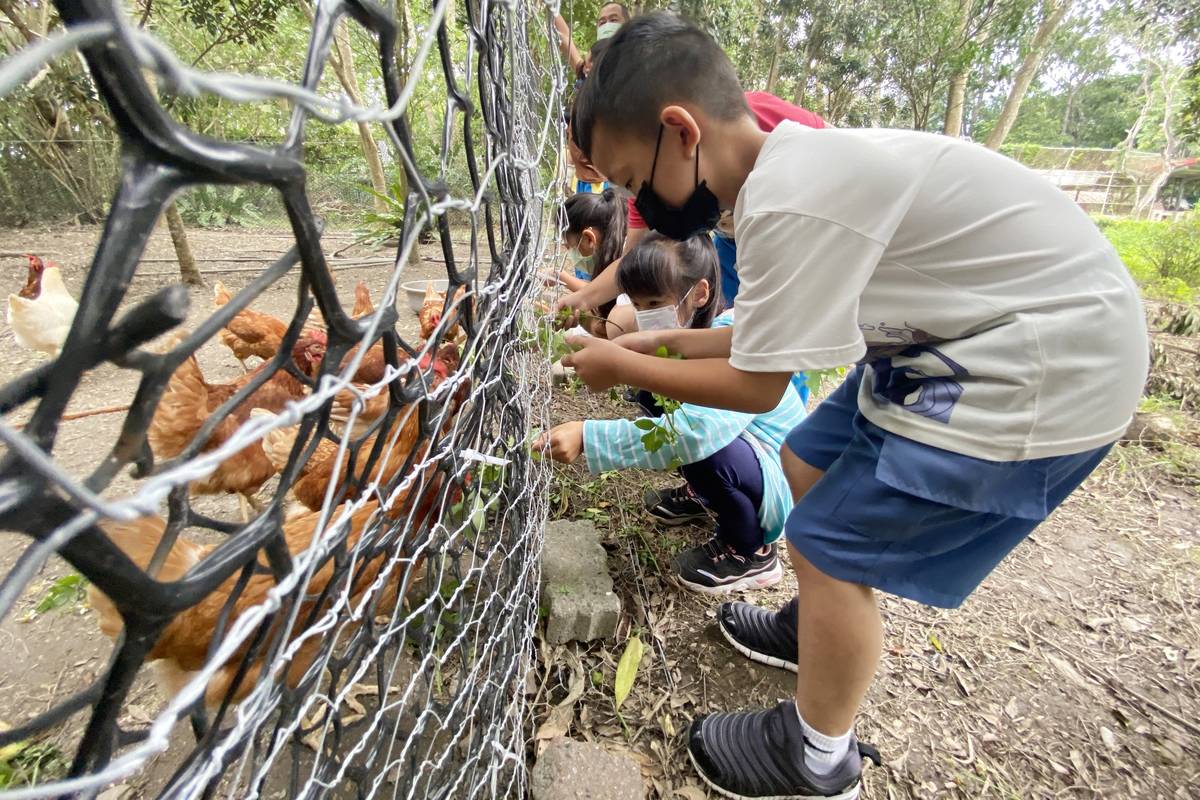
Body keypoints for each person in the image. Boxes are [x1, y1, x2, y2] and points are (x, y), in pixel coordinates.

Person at [561, 13, 1149, 800]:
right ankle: (816, 629)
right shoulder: (777, 180)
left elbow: (754, 387)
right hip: (958, 340)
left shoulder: (787, 201)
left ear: (680, 130)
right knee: (805, 458)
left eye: (633, 180)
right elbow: (752, 347)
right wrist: (638, 351)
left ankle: (817, 757)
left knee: (828, 543)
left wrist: (626, 364)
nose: (638, 203)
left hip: (1042, 362)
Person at [538, 233, 808, 594]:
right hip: (748, 454)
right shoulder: (686, 338)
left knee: (702, 445)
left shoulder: (727, 338)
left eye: (655, 302)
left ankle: (751, 551)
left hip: (779, 481)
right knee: (654, 392)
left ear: (700, 293)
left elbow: (693, 433)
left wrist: (589, 435)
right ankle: (703, 495)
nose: (646, 315)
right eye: (637, 304)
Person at [545, 190, 629, 338]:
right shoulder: (620, 249)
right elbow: (600, 291)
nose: (570, 254)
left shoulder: (632, 267)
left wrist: (580, 315)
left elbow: (605, 331)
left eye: (570, 247)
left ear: (589, 239)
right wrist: (561, 277)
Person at [554, 3, 630, 76]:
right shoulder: (588, 69)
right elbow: (566, 40)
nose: (607, 25)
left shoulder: (637, 62)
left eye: (613, 20)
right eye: (602, 23)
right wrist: (551, 5)